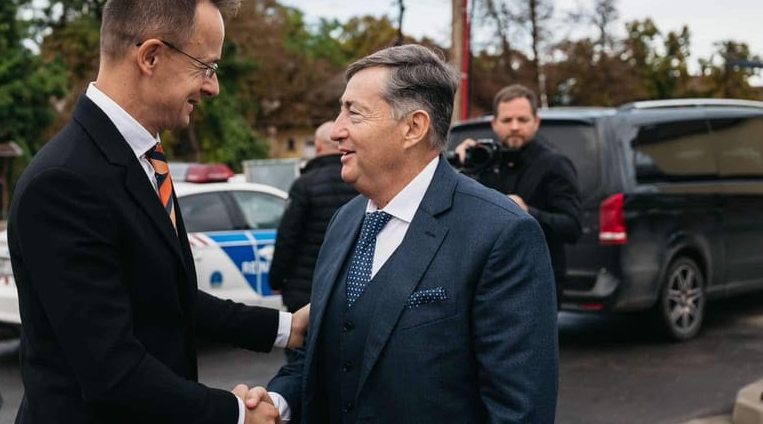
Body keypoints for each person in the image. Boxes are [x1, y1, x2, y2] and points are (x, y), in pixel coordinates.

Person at [7, 0, 307, 423]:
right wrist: (237, 415)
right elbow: (112, 372)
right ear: (151, 56)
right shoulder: (65, 182)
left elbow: (168, 298)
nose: (213, 87)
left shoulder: (140, 158)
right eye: (206, 67)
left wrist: (287, 328)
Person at [238, 44, 559, 423]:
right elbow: (323, 351)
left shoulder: (501, 233)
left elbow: (519, 408)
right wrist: (279, 401)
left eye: (354, 113)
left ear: (413, 128)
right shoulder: (344, 221)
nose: (337, 130)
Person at [454, 84, 581, 303]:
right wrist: (459, 166)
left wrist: (527, 212)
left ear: (536, 122)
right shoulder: (482, 161)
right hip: (485, 279)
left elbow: (572, 227)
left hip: (536, 281)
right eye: (507, 120)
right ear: (494, 124)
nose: (514, 127)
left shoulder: (555, 164)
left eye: (522, 120)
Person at [269, 120, 358, 315]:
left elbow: (288, 237)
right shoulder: (360, 181)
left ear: (317, 147)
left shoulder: (304, 184)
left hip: (306, 289)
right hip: (349, 288)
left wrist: (276, 279)